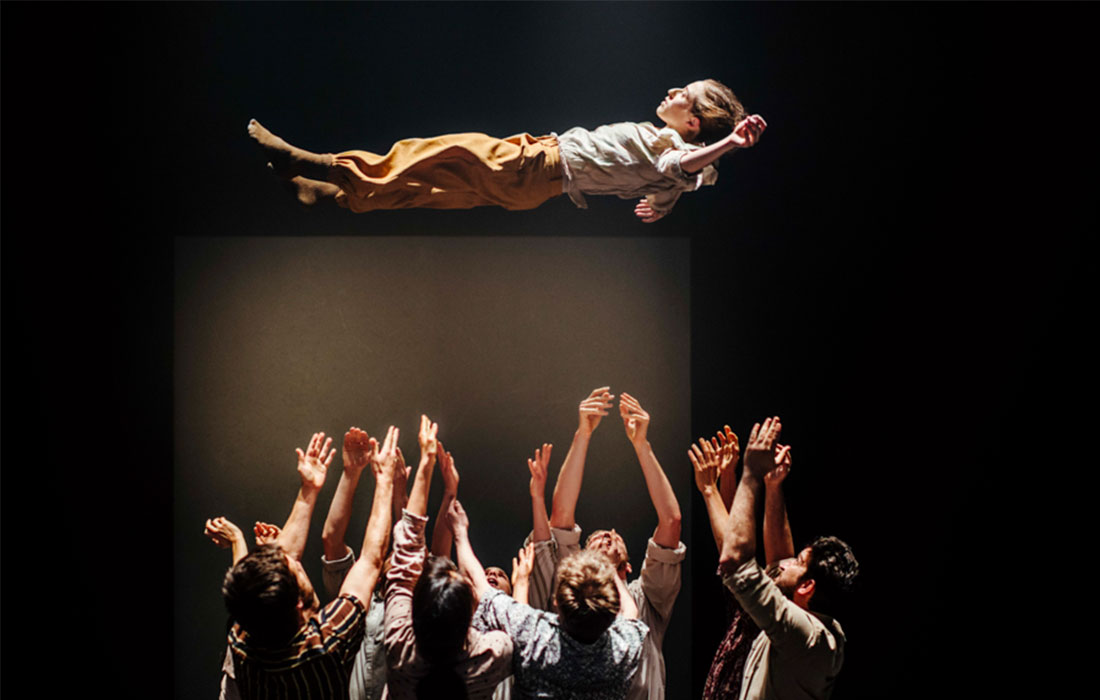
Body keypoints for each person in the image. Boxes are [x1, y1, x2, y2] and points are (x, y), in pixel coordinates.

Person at [247, 80, 766, 221]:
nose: (673, 91)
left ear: (692, 122)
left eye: (684, 94)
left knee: (434, 151)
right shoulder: (676, 172)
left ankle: (322, 166)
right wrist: (661, 205)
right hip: (536, 182)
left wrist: (728, 142)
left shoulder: (669, 148)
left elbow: (681, 165)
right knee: (435, 189)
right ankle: (335, 196)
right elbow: (679, 180)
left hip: (537, 166)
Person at [525, 388, 685, 700]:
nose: (608, 533)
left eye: (614, 536)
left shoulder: (645, 598)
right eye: (596, 538)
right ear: (582, 559)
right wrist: (583, 434)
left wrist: (642, 445)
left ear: (628, 567)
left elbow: (672, 521)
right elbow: (561, 516)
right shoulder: (572, 590)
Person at [222, 427, 398, 700]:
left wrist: (309, 489)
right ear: (298, 604)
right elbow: (370, 561)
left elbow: (285, 557)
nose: (293, 559)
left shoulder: (242, 641)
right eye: (295, 569)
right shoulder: (326, 644)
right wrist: (385, 482)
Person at [717, 417, 859, 700]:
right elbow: (779, 559)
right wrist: (773, 486)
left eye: (799, 562)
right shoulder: (818, 628)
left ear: (806, 587)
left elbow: (735, 562)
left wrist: (750, 474)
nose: (788, 563)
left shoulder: (803, 635)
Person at [451, 499, 648, 699]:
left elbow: (478, 583)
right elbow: (630, 611)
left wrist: (460, 533)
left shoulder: (538, 638)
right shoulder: (622, 649)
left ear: (557, 602)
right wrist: (607, 565)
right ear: (612, 613)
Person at [383, 416, 513, 699]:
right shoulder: (492, 653)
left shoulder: (400, 647)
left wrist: (426, 463)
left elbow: (406, 559)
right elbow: (508, 615)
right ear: (471, 614)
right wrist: (460, 530)